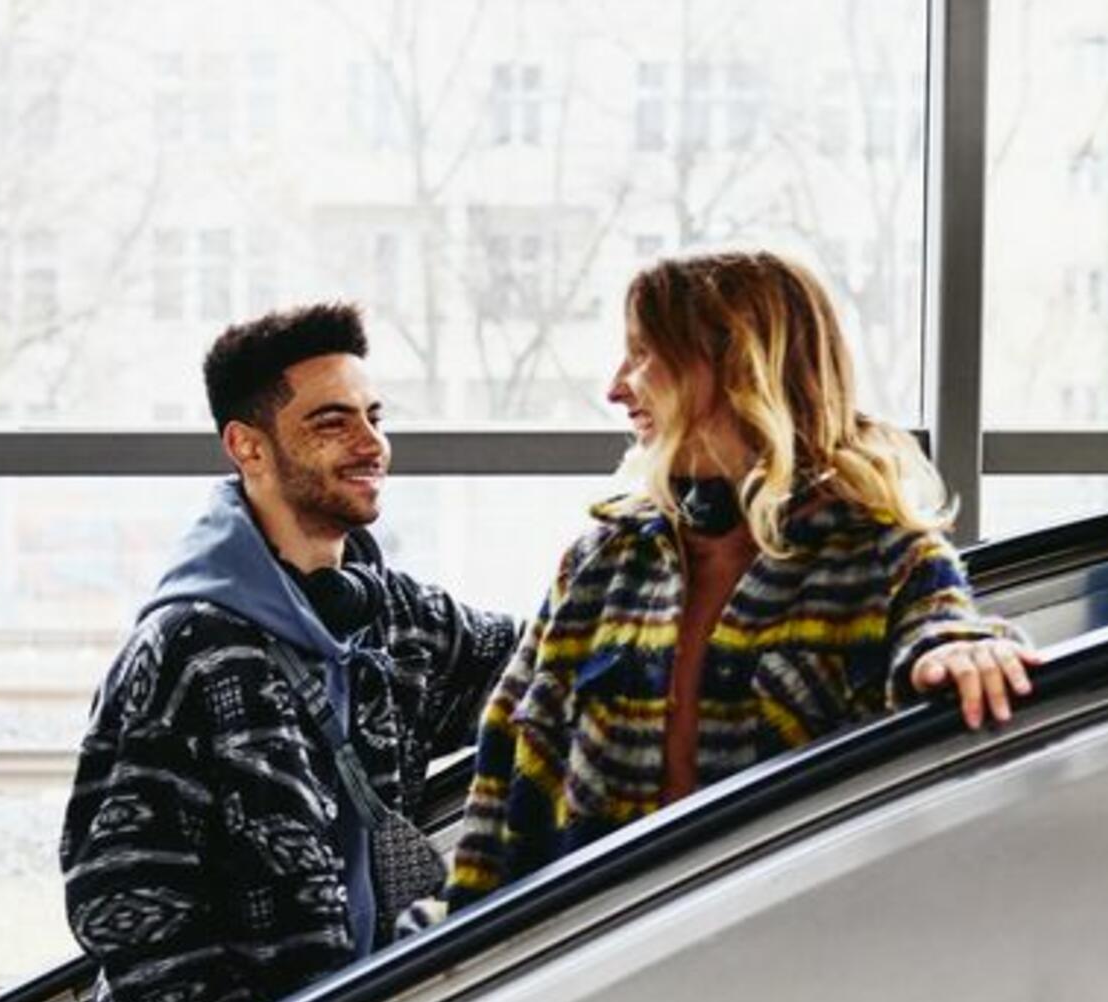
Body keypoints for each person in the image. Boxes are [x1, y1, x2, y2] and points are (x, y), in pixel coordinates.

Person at [439, 250, 1035, 909]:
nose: (615, 387)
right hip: (594, 970)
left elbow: (944, 628)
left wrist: (966, 650)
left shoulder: (885, 554)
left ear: (734, 366)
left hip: (783, 969)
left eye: (641, 354)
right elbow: (502, 774)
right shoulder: (602, 563)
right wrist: (449, 960)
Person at [60, 303, 519, 1002]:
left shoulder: (391, 615)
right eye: (332, 422)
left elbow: (542, 672)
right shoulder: (187, 650)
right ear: (248, 446)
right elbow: (119, 893)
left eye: (374, 417)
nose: (372, 444)